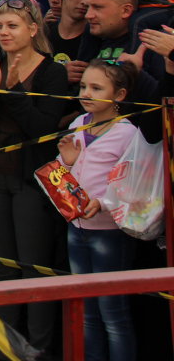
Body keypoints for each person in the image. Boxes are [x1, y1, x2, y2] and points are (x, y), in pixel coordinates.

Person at [0, 0, 68, 356]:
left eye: (12, 26)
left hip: (31, 180)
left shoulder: (53, 71)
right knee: (2, 265)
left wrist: (10, 90)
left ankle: (37, 346)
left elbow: (40, 129)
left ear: (33, 30)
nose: (4, 33)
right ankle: (3, 341)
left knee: (34, 266)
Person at [57, 59, 140, 361]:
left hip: (109, 231)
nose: (86, 93)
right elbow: (64, 174)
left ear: (119, 95)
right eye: (82, 86)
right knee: (87, 310)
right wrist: (67, 161)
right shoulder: (79, 123)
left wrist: (102, 203)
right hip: (76, 227)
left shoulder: (128, 132)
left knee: (113, 314)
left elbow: (131, 183)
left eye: (96, 88)